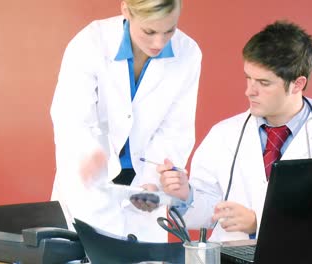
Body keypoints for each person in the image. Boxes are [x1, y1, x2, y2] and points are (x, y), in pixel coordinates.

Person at [157, 20, 312, 242]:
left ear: (297, 84)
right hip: (229, 256)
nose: (249, 91)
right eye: (248, 78)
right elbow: (208, 210)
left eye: (264, 83)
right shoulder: (223, 134)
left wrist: (258, 223)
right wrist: (185, 195)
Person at [50, 0, 201, 242]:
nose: (159, 43)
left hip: (144, 193)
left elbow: (175, 131)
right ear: (126, 10)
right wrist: (88, 153)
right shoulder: (91, 42)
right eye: (149, 31)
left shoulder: (188, 53)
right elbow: (70, 115)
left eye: (169, 30)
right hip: (90, 185)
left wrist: (153, 181)